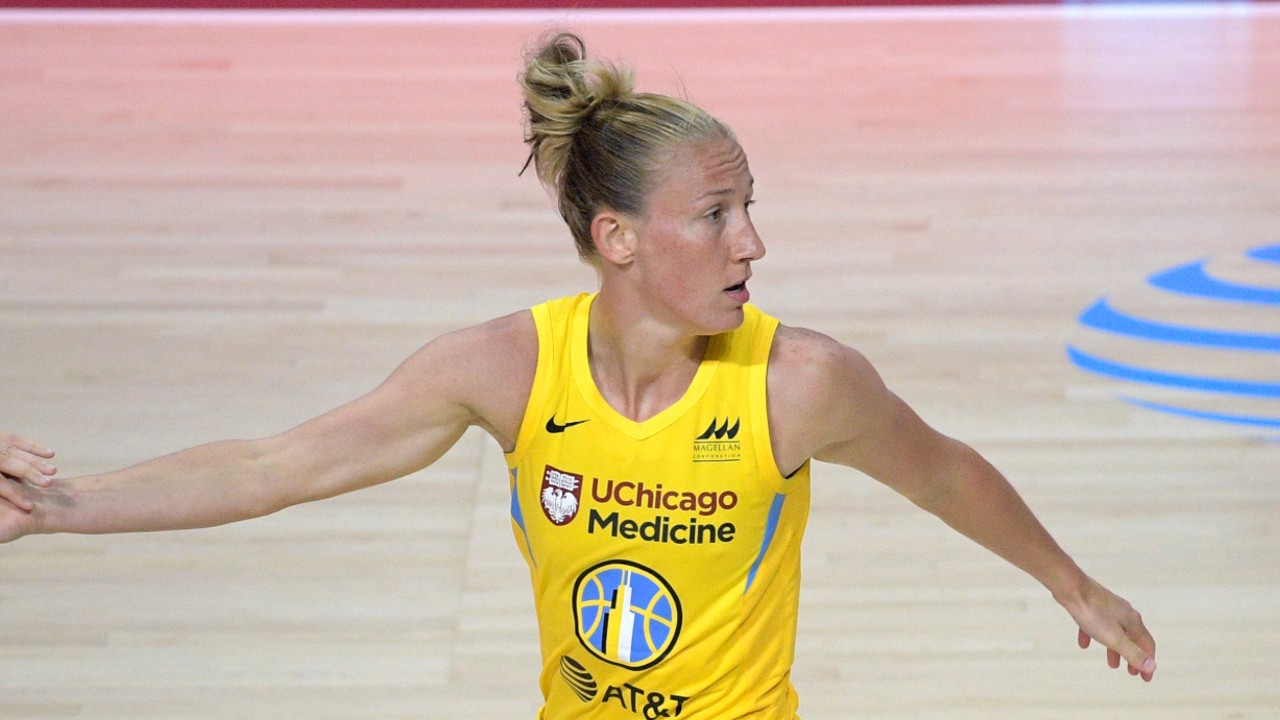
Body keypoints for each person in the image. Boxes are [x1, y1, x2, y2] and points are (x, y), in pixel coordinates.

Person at [1, 31, 1153, 720]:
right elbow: (272, 465)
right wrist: (52, 509)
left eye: (751, 208)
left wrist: (1070, 582)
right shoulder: (502, 368)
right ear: (617, 239)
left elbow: (943, 473)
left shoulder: (794, 383)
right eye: (715, 213)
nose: (752, 241)